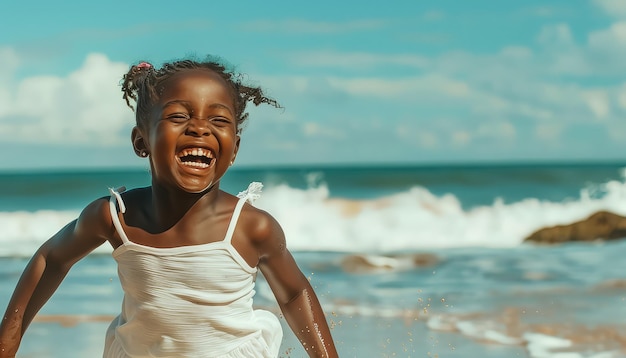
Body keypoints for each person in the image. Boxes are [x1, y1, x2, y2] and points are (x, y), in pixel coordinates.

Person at [0, 57, 338, 358]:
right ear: (141, 141)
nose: (199, 127)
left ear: (233, 149)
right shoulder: (116, 217)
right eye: (179, 115)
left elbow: (293, 294)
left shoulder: (251, 228)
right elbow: (52, 258)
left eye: (219, 121)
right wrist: (8, 343)